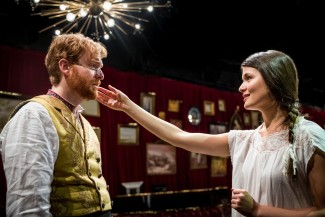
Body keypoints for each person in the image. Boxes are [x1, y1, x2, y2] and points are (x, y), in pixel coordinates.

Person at [96, 50, 325, 217]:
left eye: (248, 78)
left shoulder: (309, 138)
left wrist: (257, 210)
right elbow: (178, 137)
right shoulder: (244, 141)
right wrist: (128, 107)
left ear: (274, 80)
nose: (240, 87)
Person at [0, 33, 112, 216]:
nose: (101, 75)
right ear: (65, 66)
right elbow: (28, 204)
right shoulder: (34, 115)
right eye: (93, 66)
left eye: (100, 67)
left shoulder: (84, 122)